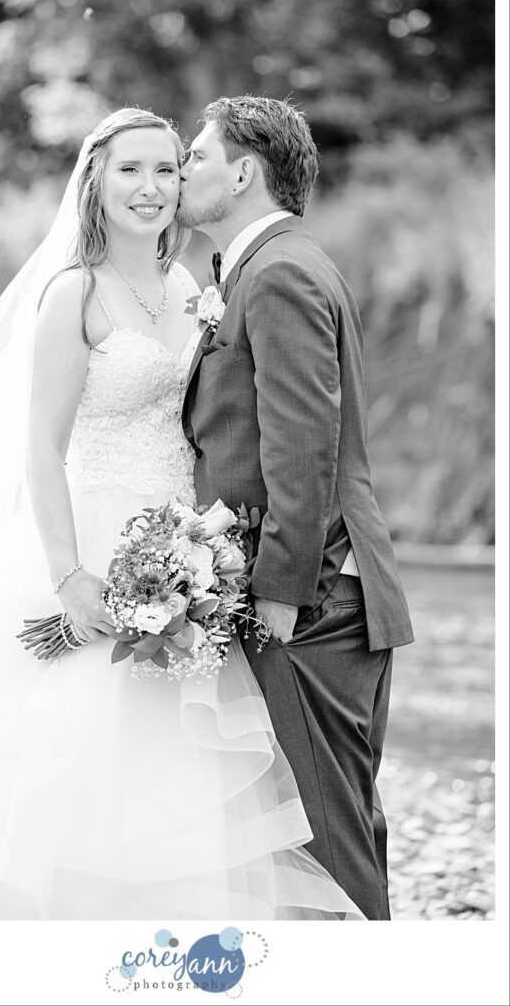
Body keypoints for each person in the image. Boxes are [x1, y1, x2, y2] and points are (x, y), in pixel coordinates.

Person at [0, 108, 363, 920]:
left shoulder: (191, 289)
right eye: (130, 170)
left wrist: (204, 552)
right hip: (88, 542)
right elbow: (40, 448)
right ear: (94, 182)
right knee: (62, 763)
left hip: (181, 554)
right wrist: (68, 575)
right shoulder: (73, 293)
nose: (151, 188)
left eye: (168, 169)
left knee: (176, 781)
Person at [178, 96, 415, 921]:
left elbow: (303, 444)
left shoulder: (276, 273)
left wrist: (280, 590)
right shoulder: (263, 266)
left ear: (243, 172)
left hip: (309, 601)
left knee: (326, 837)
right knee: (318, 826)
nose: (180, 172)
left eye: (195, 157)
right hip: (309, 591)